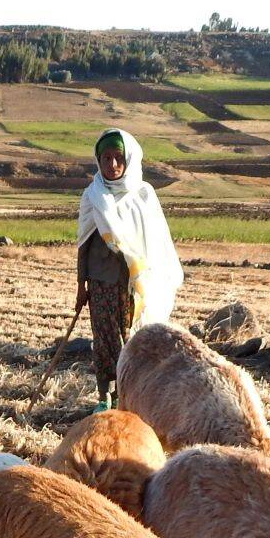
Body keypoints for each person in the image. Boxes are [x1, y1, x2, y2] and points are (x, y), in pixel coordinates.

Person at [75, 128, 182, 410]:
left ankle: (128, 398)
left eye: (118, 158)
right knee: (104, 342)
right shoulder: (93, 195)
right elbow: (83, 244)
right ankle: (104, 398)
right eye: (105, 158)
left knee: (130, 342)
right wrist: (80, 287)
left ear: (130, 160)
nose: (111, 165)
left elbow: (155, 244)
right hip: (100, 284)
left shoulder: (144, 196)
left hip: (134, 286)